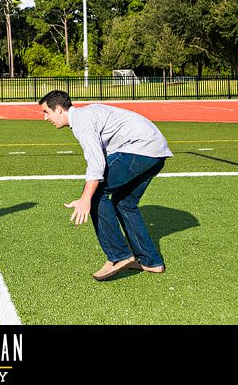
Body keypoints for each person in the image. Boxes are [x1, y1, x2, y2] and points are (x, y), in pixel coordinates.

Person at [38, 90, 172, 281]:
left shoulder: (81, 122)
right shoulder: (87, 115)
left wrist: (86, 199)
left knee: (96, 194)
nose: (45, 118)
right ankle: (151, 261)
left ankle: (119, 256)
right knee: (124, 203)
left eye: (46, 112)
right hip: (156, 151)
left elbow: (97, 163)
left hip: (141, 148)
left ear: (58, 109)